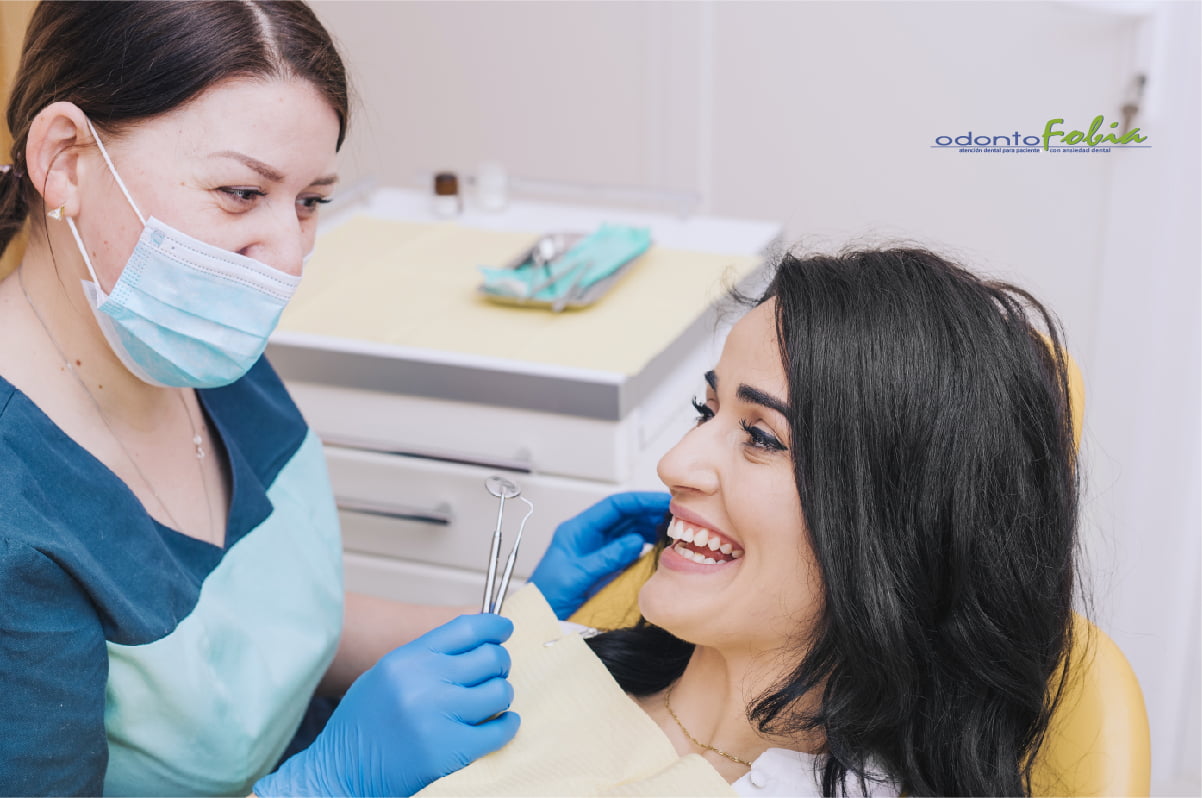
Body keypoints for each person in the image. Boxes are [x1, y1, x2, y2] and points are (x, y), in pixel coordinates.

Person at [0, 2, 665, 796]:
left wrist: (522, 626)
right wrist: (329, 780)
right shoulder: (19, 518)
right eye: (242, 192)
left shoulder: (192, 338)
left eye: (310, 201)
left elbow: (265, 621)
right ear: (65, 159)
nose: (286, 258)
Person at [577, 247, 1081, 797]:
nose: (673, 464)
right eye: (707, 410)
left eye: (763, 436)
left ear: (896, 533)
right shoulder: (517, 667)